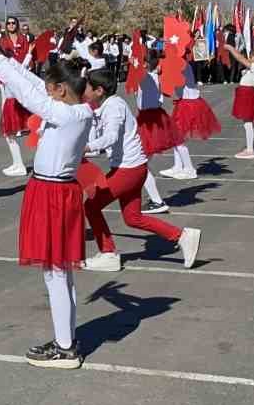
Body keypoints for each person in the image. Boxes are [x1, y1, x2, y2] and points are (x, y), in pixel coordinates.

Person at [0, 54, 93, 369]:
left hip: (53, 193)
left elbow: (28, 94)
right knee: (61, 273)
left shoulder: (68, 114)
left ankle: (65, 348)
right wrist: (7, 59)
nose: (47, 92)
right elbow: (36, 85)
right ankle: (66, 340)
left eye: (52, 88)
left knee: (56, 273)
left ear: (61, 89)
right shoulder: (76, 109)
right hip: (54, 190)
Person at [80, 68, 202, 273]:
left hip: (128, 170)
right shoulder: (107, 105)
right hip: (133, 168)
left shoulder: (113, 108)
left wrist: (86, 147)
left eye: (87, 87)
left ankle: (108, 253)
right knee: (132, 218)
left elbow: (111, 136)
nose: (84, 90)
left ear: (99, 90)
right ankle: (183, 236)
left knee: (91, 206)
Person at [133, 50, 179, 215]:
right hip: (153, 118)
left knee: (141, 163)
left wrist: (136, 62)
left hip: (149, 122)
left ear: (145, 64)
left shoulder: (146, 78)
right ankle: (151, 198)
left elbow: (138, 75)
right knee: (141, 162)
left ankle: (157, 201)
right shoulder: (152, 76)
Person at [159, 55, 217, 181]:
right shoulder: (180, 63)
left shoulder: (182, 64)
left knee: (178, 138)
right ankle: (178, 166)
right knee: (175, 136)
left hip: (189, 104)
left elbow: (173, 79)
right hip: (185, 102)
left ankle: (189, 168)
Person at [0, 17, 33, 176]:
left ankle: (19, 165)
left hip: (19, 85)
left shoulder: (22, 41)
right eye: (9, 23)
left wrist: (29, 55)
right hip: (10, 87)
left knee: (10, 129)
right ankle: (17, 163)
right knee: (10, 129)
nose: (11, 25)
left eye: (13, 23)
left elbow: (22, 66)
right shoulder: (4, 41)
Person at [225, 44, 254, 159]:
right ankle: (251, 147)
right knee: (248, 123)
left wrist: (230, 48)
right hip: (245, 92)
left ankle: (250, 150)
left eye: (251, 57)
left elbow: (240, 58)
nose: (249, 59)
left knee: (247, 123)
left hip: (247, 93)